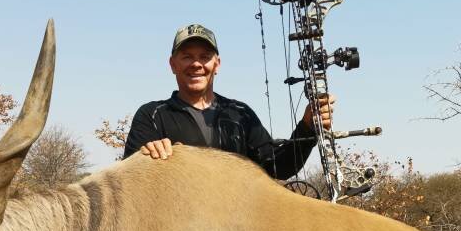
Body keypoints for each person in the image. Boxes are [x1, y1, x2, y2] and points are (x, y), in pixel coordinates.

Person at [123, 24, 332, 180]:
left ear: (217, 64)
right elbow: (130, 182)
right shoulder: (151, 115)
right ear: (172, 64)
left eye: (204, 57)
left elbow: (278, 167)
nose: (196, 64)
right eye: (187, 57)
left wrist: (307, 128)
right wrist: (148, 158)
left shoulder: (240, 113)